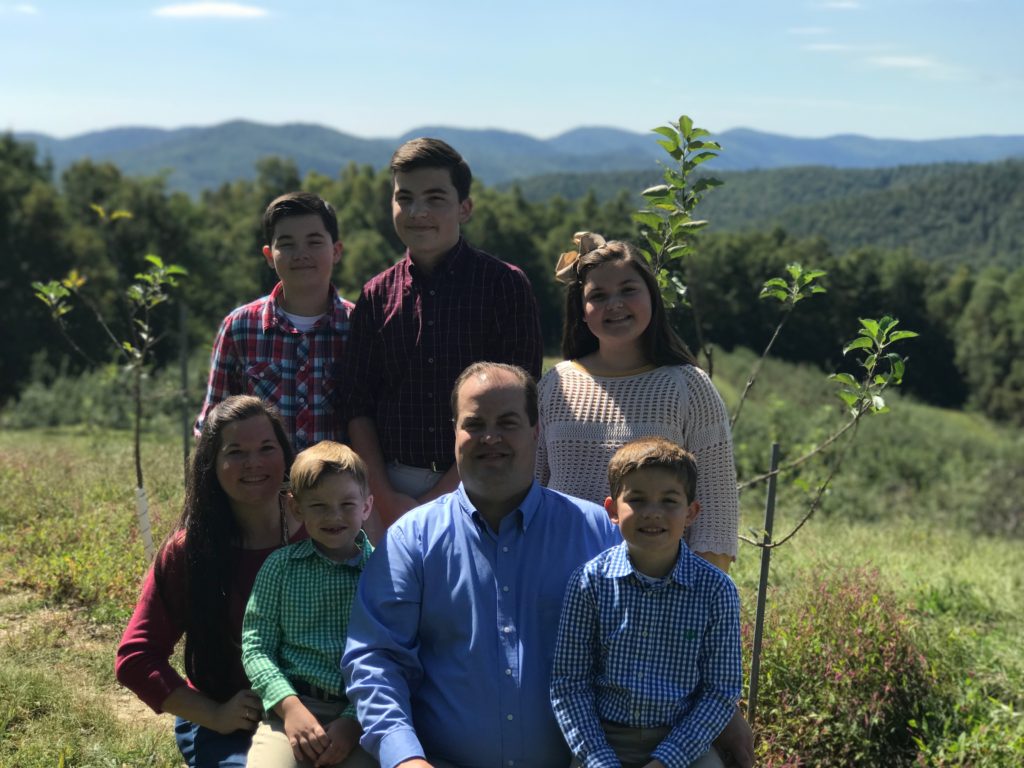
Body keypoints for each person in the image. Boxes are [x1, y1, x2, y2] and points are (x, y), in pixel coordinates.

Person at [341, 362, 620, 768]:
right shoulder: (412, 539)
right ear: (455, 431)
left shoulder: (593, 532)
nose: (491, 437)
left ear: (536, 430)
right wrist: (404, 758)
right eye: (475, 424)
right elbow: (376, 661)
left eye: (508, 422)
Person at [339, 138, 543, 538]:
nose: (418, 212)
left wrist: (448, 493)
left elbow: (523, 398)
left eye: (435, 198)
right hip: (390, 490)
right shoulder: (376, 295)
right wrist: (382, 495)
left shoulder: (505, 286)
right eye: (405, 197)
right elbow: (355, 402)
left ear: (464, 208)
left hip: (487, 479)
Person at [116, 395, 305, 767]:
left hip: (317, 713)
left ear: (285, 455)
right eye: (235, 452)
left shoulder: (322, 529)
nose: (253, 463)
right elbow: (136, 658)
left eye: (267, 447)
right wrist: (214, 715)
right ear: (211, 465)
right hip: (229, 726)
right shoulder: (190, 551)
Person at [537, 232, 738, 574]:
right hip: (560, 578)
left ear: (652, 297)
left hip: (657, 588)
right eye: (598, 296)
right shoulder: (555, 384)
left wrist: (697, 596)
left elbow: (716, 512)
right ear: (581, 311)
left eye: (628, 290)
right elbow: (532, 491)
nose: (614, 304)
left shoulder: (687, 385)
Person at [550, 437, 742, 768]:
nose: (653, 513)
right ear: (611, 510)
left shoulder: (715, 590)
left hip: (683, 742)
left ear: (691, 512)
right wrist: (600, 760)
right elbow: (569, 685)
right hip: (603, 740)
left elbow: (720, 691)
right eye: (636, 500)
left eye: (669, 501)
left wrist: (666, 761)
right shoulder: (589, 583)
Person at [241, 441, 376, 768]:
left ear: (367, 506)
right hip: (289, 712)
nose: (334, 516)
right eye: (318, 506)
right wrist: (289, 708)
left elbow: (390, 656)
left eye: (347, 504)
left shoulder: (381, 573)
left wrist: (352, 721)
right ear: (297, 508)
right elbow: (256, 646)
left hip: (361, 717)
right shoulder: (280, 567)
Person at [196, 191, 353, 452]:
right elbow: (213, 423)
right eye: (287, 244)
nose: (301, 253)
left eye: (314, 242)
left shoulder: (358, 326)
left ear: (336, 251)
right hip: (261, 486)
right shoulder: (240, 328)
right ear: (269, 255)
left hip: (336, 489)